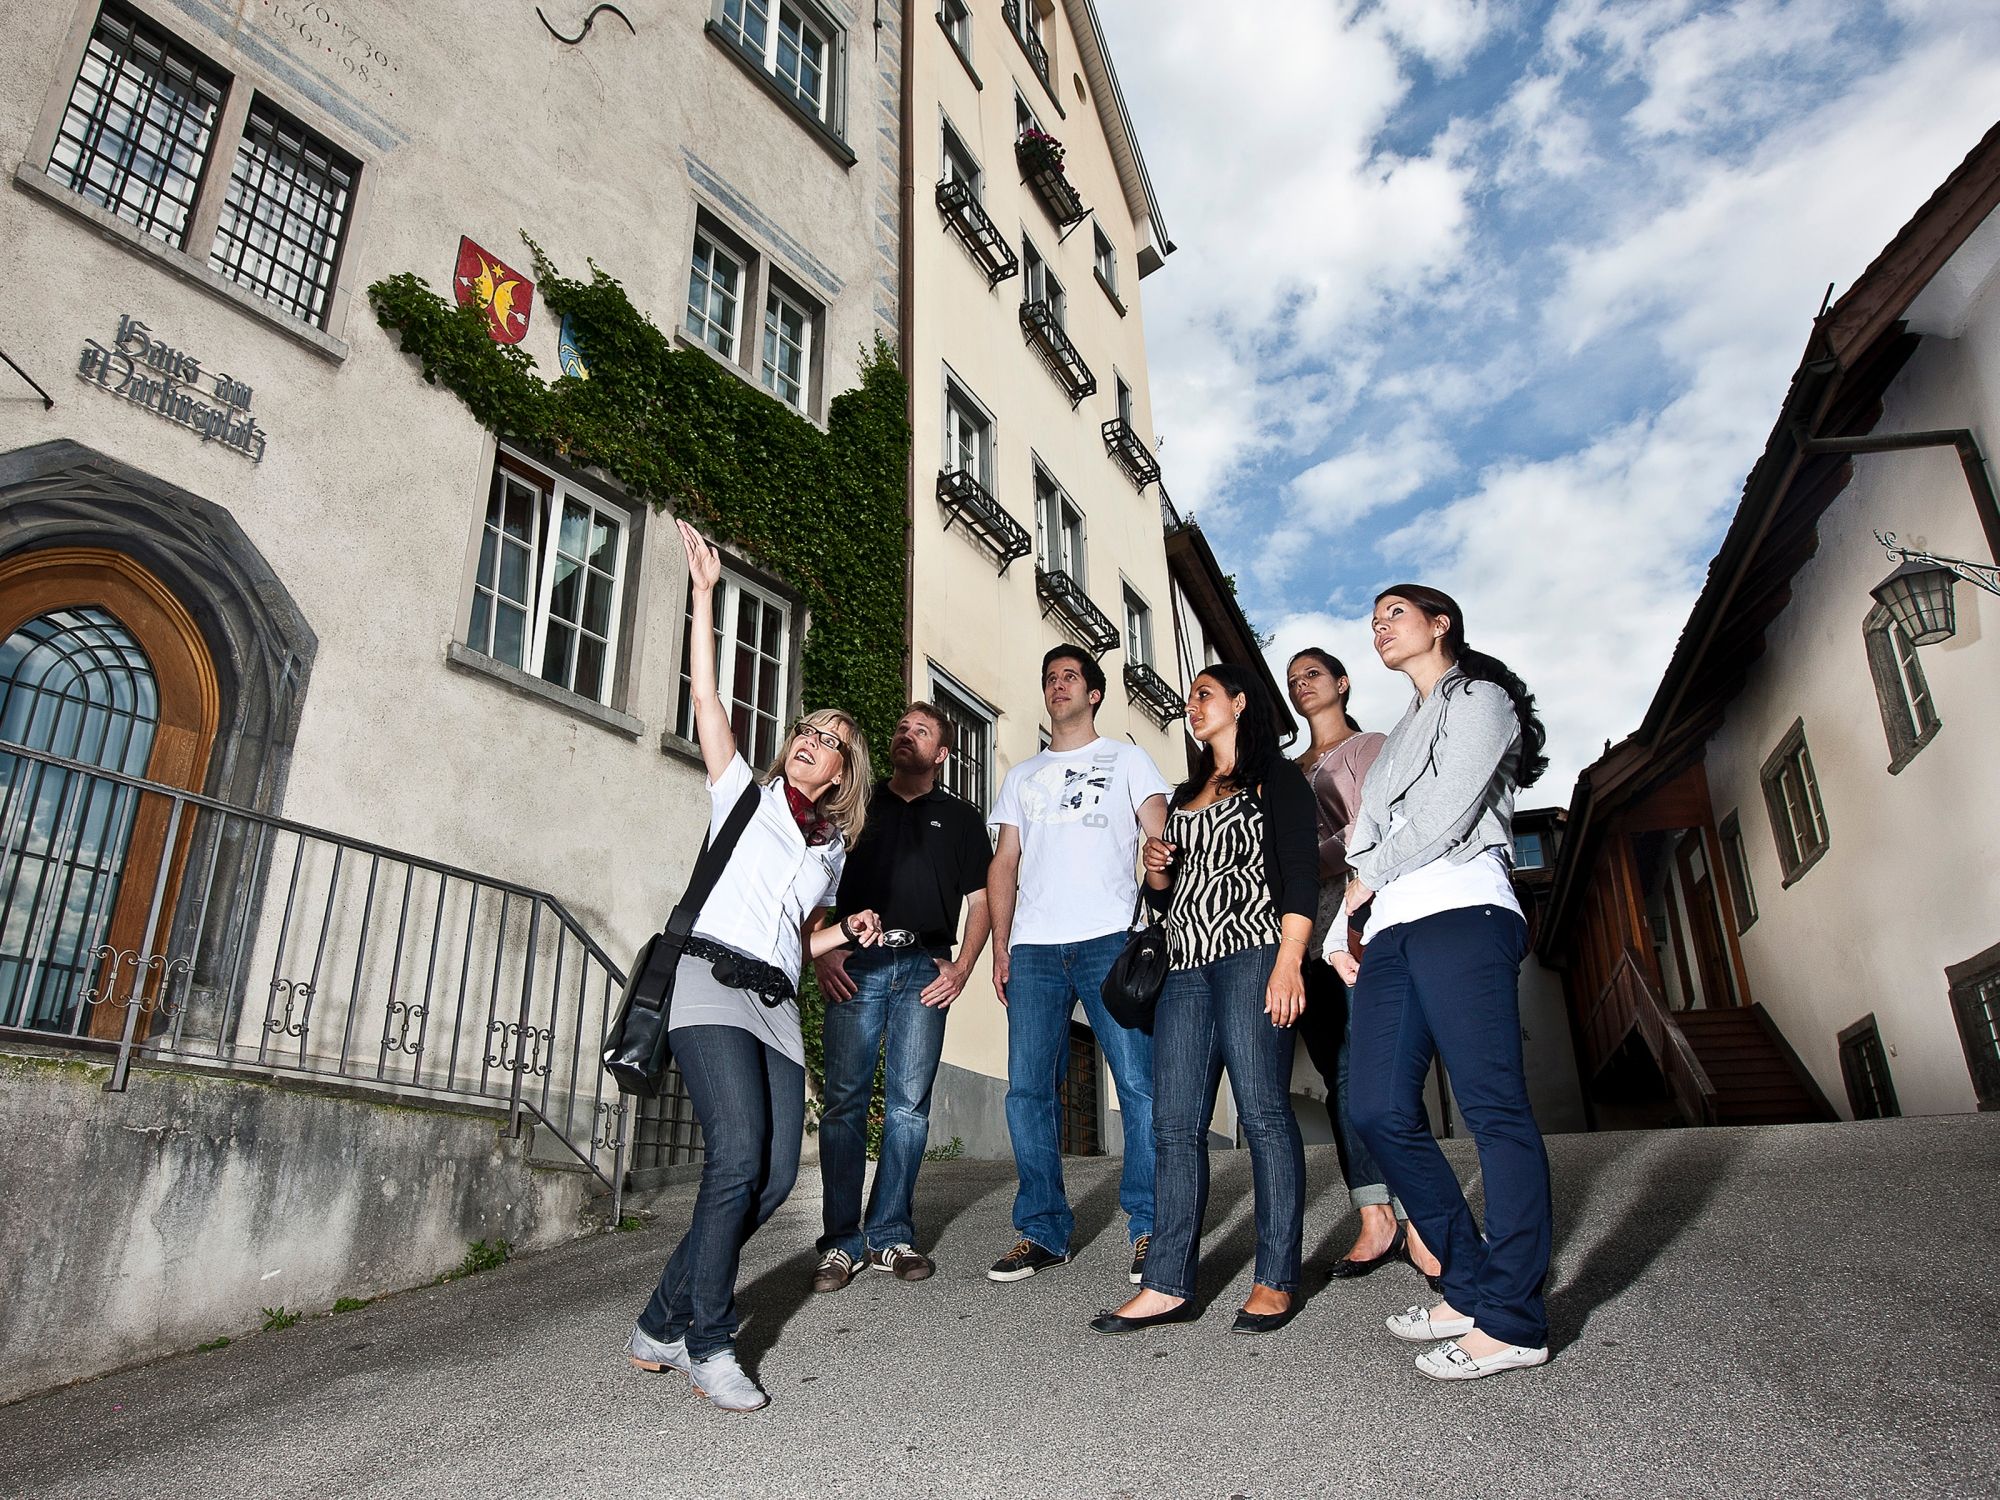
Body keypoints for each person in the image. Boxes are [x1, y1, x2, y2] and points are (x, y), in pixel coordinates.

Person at [626, 519, 884, 1414]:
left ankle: (659, 1318)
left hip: (777, 1006)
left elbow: (800, 943)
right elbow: (708, 697)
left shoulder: (829, 851)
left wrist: (843, 933)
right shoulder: (744, 792)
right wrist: (704, 597)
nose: (811, 739)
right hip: (707, 981)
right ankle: (707, 1339)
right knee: (735, 1157)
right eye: (806, 730)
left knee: (775, 1181)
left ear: (845, 770)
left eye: (829, 739)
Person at [1331, 584, 1553, 1381]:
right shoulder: (1393, 741)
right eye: (1375, 619)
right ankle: (1467, 1284)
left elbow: (1451, 812)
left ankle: (1516, 1319)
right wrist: (1338, 928)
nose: (1380, 627)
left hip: (1465, 910)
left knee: (1494, 1110)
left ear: (1440, 624)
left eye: (1396, 613)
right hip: (1390, 927)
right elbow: (1368, 841)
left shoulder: (1483, 699)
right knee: (1378, 1108)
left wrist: (1364, 885)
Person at [1091, 664, 1317, 1336]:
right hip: (1184, 969)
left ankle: (1275, 1278)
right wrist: (1158, 872)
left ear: (1240, 703)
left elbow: (1299, 875)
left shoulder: (1275, 779)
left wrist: (1289, 964)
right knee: (1173, 1127)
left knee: (1265, 1116)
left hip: (1252, 954)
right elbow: (1166, 899)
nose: (1192, 706)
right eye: (1190, 697)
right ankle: (1166, 1284)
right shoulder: (1185, 793)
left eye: (1204, 695)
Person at [985, 645, 1171, 1284]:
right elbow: (1004, 862)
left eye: (1069, 677)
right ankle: (1042, 1230)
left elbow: (1158, 829)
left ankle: (1150, 1228)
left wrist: (1158, 880)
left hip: (1109, 940)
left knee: (1139, 1086)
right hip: (1034, 949)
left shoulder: (1126, 759)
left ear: (1093, 693)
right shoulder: (1022, 777)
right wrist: (1001, 944)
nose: (1057, 685)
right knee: (1027, 1093)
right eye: (1049, 678)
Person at [809, 703, 993, 1291]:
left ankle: (889, 1234)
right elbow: (814, 879)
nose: (904, 735)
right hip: (856, 963)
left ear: (941, 754)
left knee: (908, 1107)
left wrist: (963, 967)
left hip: (923, 968)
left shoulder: (962, 819)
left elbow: (983, 902)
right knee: (844, 1103)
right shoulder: (855, 808)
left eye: (920, 731)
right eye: (900, 726)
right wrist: (823, 954)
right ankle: (840, 1243)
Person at [1284, 648, 1440, 1284]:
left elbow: (1370, 830)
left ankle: (1428, 1218)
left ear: (1342, 684)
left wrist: (1299, 857)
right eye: (1292, 681)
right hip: (1302, 932)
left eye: (1313, 675)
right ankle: (1375, 1215)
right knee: (1340, 1074)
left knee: (1383, 1067)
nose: (1301, 686)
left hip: (1363, 921)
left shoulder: (1371, 747)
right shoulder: (1286, 771)